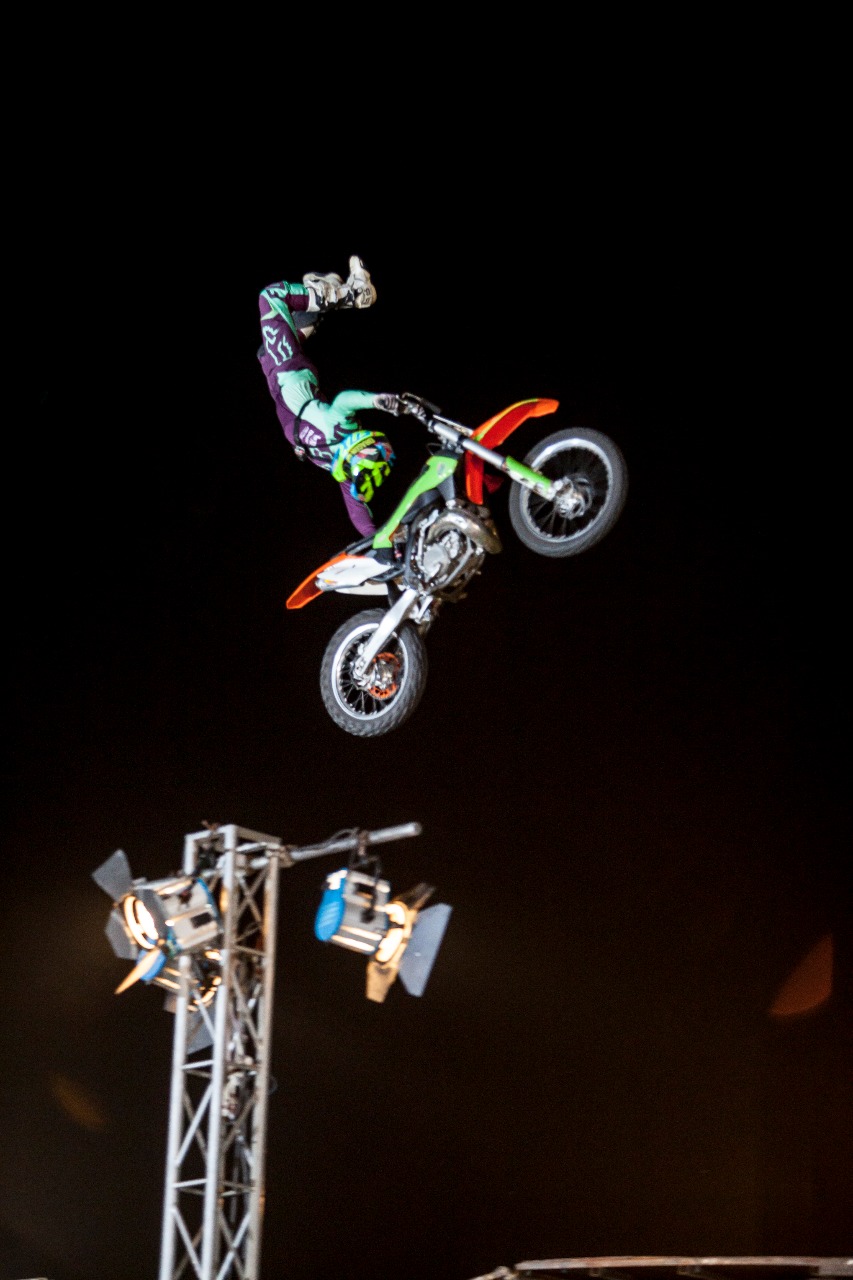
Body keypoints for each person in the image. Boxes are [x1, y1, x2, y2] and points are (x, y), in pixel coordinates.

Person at [257, 255, 401, 579]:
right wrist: (378, 401)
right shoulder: (342, 444)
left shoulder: (342, 462)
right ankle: (345, 294)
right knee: (271, 298)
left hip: (283, 373)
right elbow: (345, 401)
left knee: (269, 331)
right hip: (288, 370)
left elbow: (357, 509)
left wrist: (377, 541)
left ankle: (333, 294)